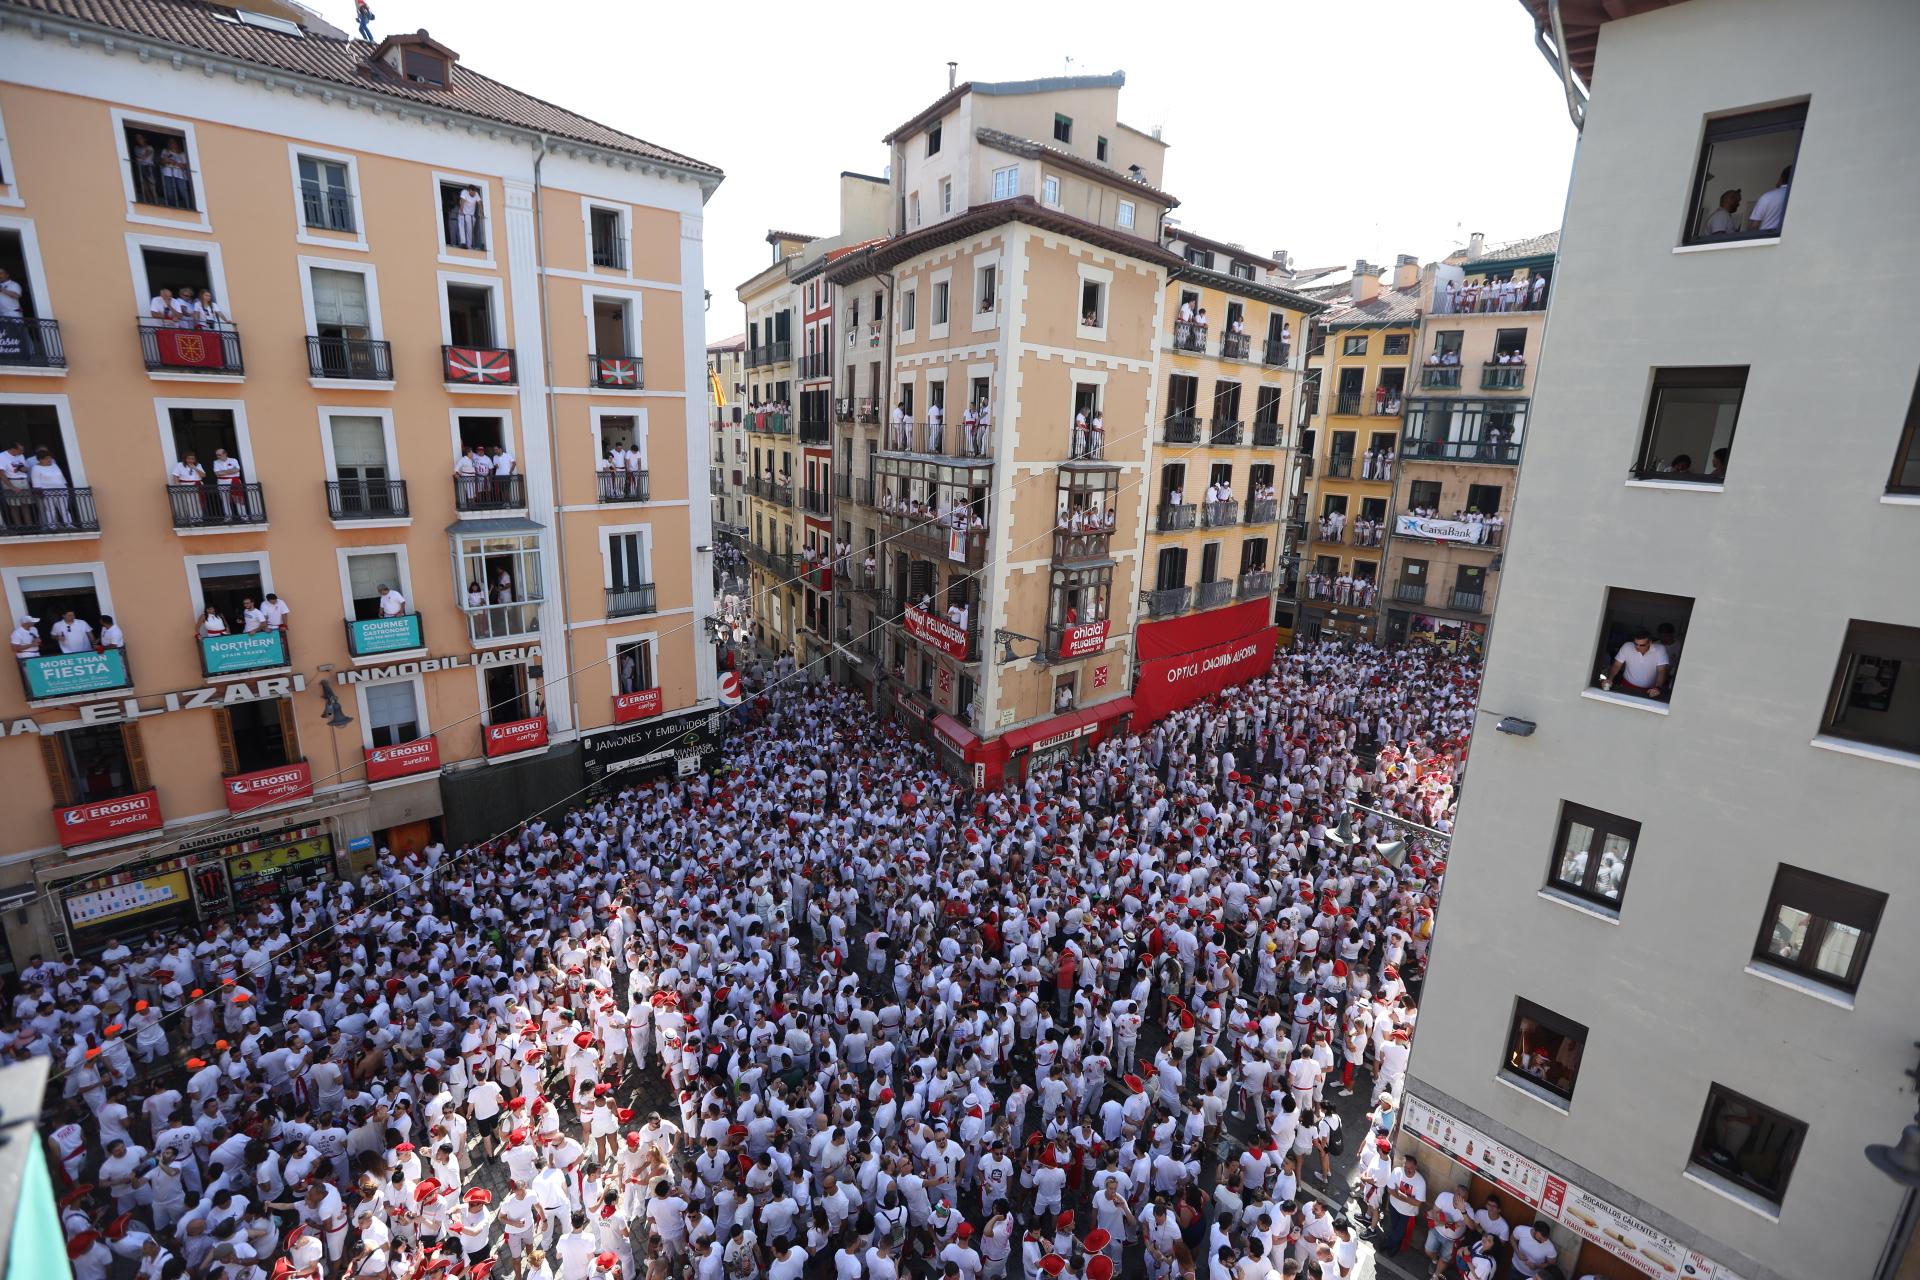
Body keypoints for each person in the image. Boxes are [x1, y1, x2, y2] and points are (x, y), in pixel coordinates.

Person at [1604, 628, 1670, 698]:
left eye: (1642, 645)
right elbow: (1617, 665)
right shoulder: (1627, 646)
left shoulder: (1660, 649)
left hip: (1650, 691)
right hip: (1626, 686)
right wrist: (1609, 679)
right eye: (1636, 644)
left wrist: (1658, 687)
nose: (1637, 647)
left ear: (1650, 643)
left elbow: (1662, 670)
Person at [29, 447, 72, 527]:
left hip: (62, 491)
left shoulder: (54, 465)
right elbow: (36, 483)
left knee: (64, 509)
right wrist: (40, 494)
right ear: (40, 460)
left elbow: (62, 477)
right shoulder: (36, 468)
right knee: (50, 510)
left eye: (50, 458)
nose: (49, 460)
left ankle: (69, 524)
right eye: (47, 458)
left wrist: (66, 487)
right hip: (47, 493)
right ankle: (52, 526)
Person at [1747, 165, 1792, 234]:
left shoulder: (1767, 197)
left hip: (1765, 239)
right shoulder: (1799, 196)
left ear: (1781, 178)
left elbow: (1754, 226)